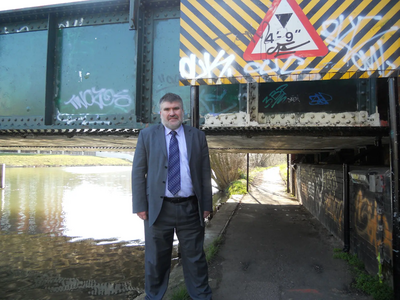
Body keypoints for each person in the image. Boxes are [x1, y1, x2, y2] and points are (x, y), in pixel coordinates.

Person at [131, 92, 213, 300]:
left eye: (175, 108)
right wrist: (140, 205)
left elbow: (204, 173)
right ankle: (154, 296)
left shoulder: (197, 136)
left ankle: (201, 296)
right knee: (156, 260)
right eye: (167, 109)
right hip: (158, 210)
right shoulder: (147, 136)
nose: (172, 113)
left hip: (190, 208)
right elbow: (138, 172)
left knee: (195, 258)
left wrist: (207, 205)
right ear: (160, 113)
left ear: (183, 112)